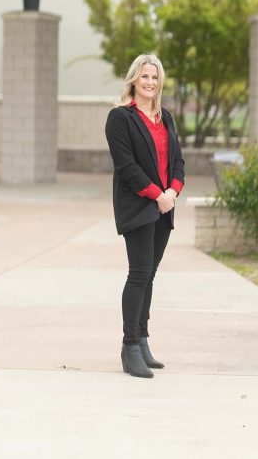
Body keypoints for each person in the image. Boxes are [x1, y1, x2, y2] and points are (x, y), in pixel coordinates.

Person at [104, 53, 185, 378]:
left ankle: (143, 339)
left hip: (164, 206)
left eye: (154, 77)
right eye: (144, 76)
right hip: (139, 206)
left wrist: (173, 192)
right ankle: (129, 347)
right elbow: (127, 168)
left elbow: (177, 161)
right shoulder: (120, 118)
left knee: (149, 275)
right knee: (138, 274)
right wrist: (157, 195)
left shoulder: (165, 117)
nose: (149, 82)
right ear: (133, 80)